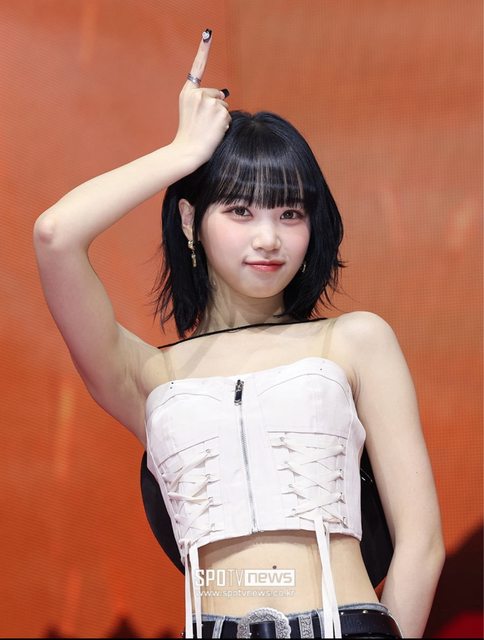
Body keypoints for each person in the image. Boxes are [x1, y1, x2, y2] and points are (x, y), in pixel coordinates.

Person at [34, 29, 445, 639]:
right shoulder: (149, 375)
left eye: (290, 213)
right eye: (240, 210)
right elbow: (55, 235)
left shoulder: (356, 341)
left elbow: (421, 543)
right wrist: (180, 155)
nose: (268, 238)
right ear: (191, 220)